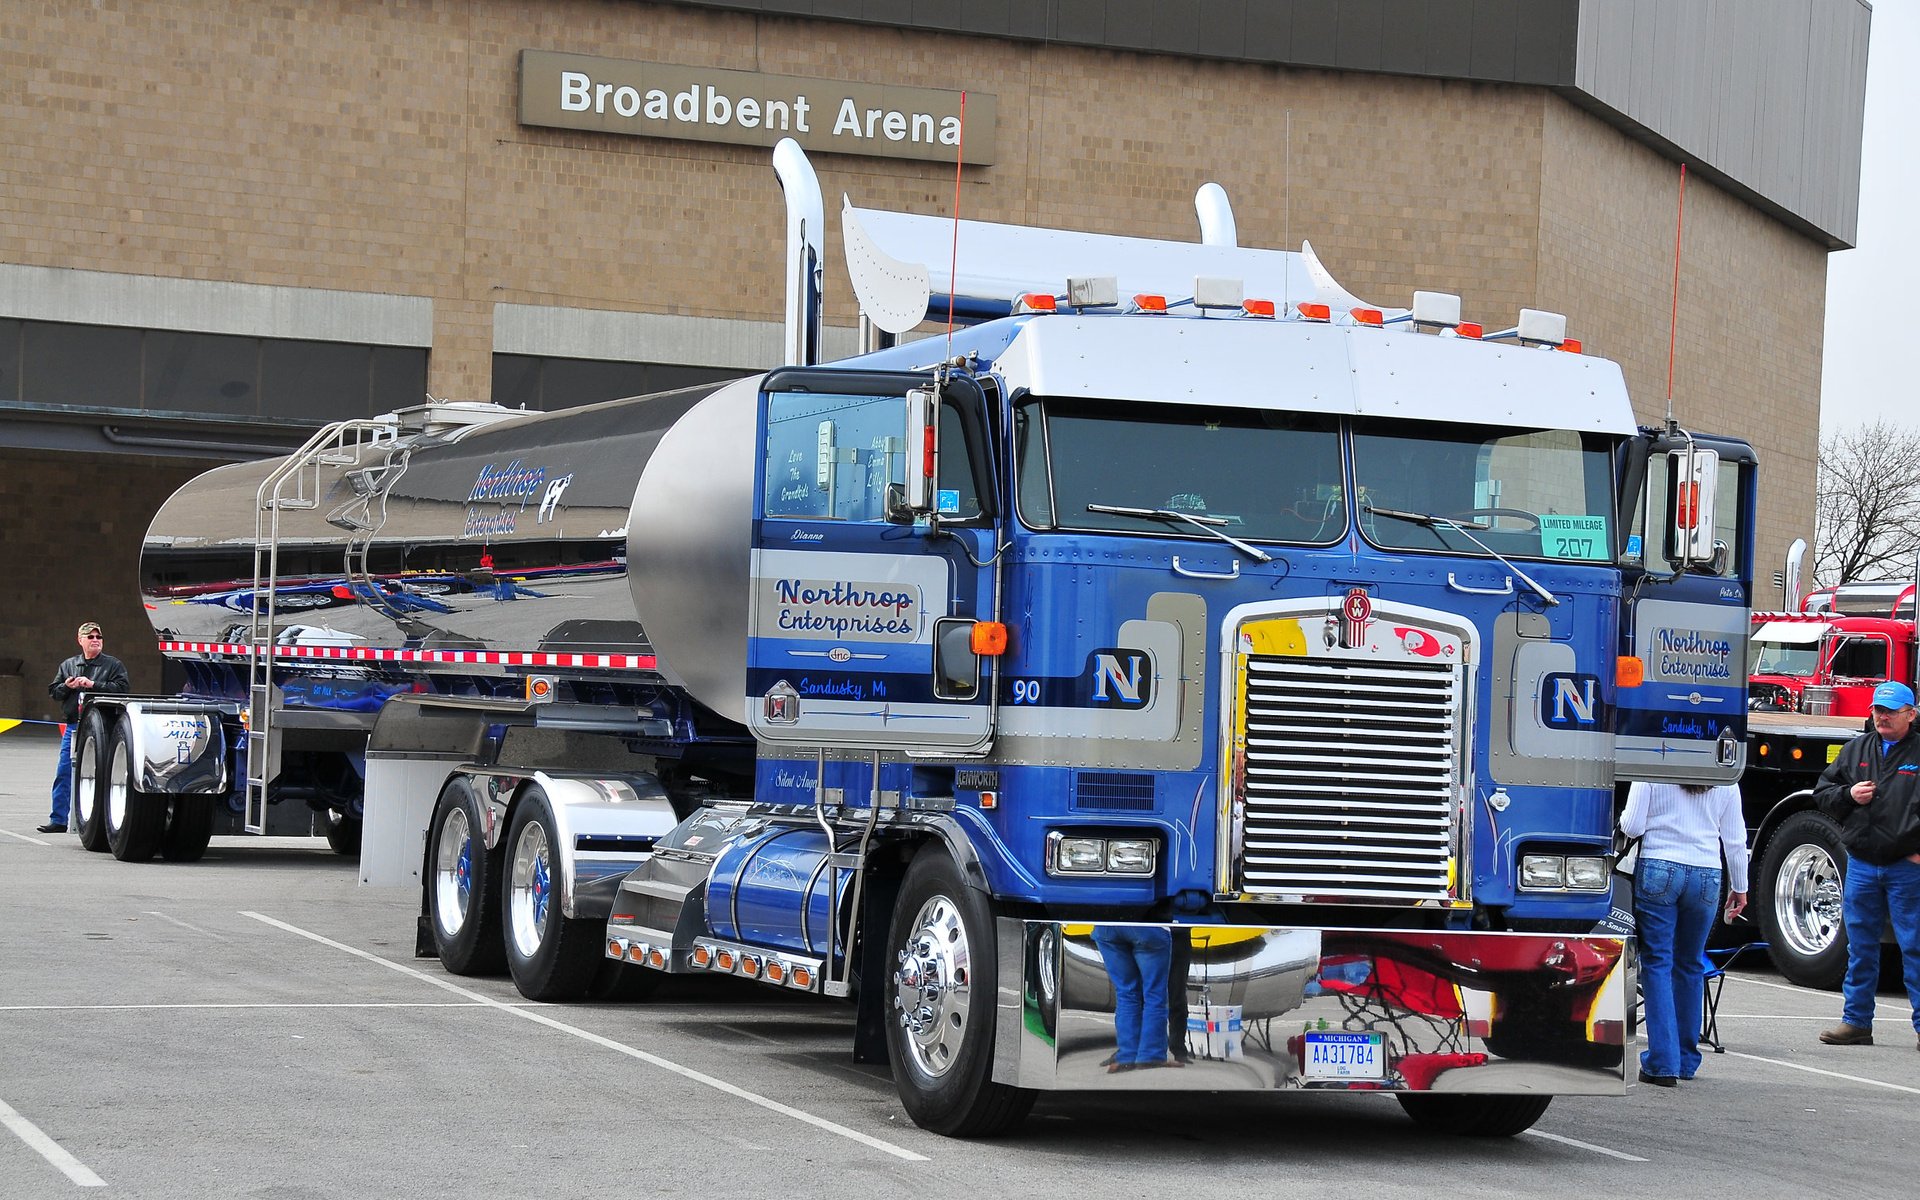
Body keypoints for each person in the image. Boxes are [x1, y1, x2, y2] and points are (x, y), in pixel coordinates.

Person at [1809, 679, 1920, 1051]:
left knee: (1915, 946)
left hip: (1908, 867)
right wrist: (1848, 794)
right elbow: (1823, 794)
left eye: (1890, 711)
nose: (1882, 717)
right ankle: (1856, 1022)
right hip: (1862, 863)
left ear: (1911, 714)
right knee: (1860, 946)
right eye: (1878, 710)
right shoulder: (1857, 748)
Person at [1621, 777, 1749, 1086]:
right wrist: (1740, 887)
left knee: (1657, 964)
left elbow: (1633, 826)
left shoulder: (1651, 765)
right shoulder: (1724, 774)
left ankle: (1662, 1062)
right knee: (1690, 964)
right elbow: (1734, 839)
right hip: (1707, 872)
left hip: (1659, 865)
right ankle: (1687, 1059)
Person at [41, 621, 130, 834]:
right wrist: (67, 686)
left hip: (102, 728)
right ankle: (59, 819)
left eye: (98, 637)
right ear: (80, 640)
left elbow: (123, 689)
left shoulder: (113, 665)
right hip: (74, 726)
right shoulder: (69, 665)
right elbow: (54, 692)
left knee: (100, 774)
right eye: (90, 637)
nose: (95, 641)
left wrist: (93, 685)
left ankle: (98, 821)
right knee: (64, 772)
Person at [1091, 925, 1183, 1072]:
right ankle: (1152, 1055)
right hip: (1148, 927)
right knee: (1154, 994)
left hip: (1106, 927)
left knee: (1125, 993)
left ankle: (1127, 1056)